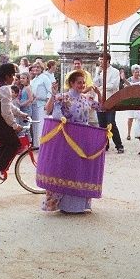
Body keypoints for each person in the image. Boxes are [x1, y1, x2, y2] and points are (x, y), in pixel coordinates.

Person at [41, 69, 102, 213]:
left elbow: (102, 108)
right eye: (79, 82)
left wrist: (99, 94)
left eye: (83, 82)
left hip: (83, 137)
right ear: (72, 83)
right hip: (67, 137)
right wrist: (53, 95)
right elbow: (48, 110)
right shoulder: (63, 97)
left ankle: (78, 206)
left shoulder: (86, 98)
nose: (82, 85)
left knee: (80, 169)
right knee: (66, 168)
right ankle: (63, 205)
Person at [94, 53, 124, 153]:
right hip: (99, 100)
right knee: (102, 124)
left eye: (102, 60)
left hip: (111, 99)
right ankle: (104, 145)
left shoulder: (115, 71)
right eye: (99, 60)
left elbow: (114, 85)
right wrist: (98, 74)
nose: (100, 62)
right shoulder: (98, 71)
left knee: (111, 123)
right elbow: (95, 84)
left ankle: (119, 145)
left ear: (107, 60)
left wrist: (102, 87)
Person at [125, 64, 140, 140]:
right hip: (131, 100)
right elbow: (125, 88)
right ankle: (128, 133)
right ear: (132, 72)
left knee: (139, 118)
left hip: (139, 101)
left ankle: (139, 134)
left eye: (138, 72)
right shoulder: (129, 80)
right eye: (135, 72)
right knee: (130, 118)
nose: (137, 73)